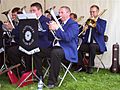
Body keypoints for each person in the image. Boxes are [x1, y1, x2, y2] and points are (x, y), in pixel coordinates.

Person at [6, 2, 52, 77]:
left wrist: (31, 29)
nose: (31, 12)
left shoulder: (45, 20)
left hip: (40, 44)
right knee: (11, 51)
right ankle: (21, 71)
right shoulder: (27, 20)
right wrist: (12, 29)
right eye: (30, 11)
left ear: (40, 10)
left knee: (30, 50)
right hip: (28, 44)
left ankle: (35, 74)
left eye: (34, 10)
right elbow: (19, 33)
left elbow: (42, 33)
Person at [47, 6, 79, 88]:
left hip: (68, 49)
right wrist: (50, 30)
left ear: (68, 13)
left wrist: (57, 29)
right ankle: (38, 76)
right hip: (56, 47)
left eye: (62, 12)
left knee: (55, 53)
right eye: (59, 13)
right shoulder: (60, 23)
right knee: (38, 50)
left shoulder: (73, 24)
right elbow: (50, 38)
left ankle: (52, 81)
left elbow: (68, 38)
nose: (59, 15)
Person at [75, 5, 107, 74]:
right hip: (88, 43)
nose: (92, 14)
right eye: (90, 12)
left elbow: (101, 31)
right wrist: (84, 30)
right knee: (77, 46)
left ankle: (90, 67)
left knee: (92, 46)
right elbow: (83, 35)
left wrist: (95, 23)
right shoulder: (88, 21)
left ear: (98, 12)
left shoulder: (103, 22)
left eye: (93, 12)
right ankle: (81, 66)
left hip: (98, 45)